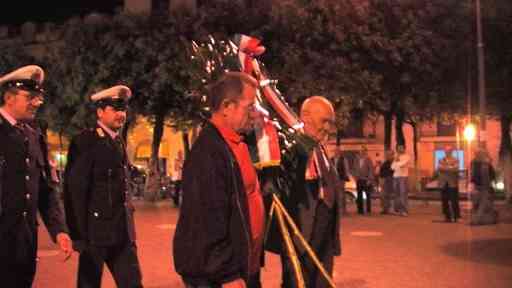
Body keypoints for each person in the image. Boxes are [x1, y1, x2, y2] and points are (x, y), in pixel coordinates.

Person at [173, 72, 265, 288]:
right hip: (217, 276)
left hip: (240, 267)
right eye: (250, 107)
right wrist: (228, 275)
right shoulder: (209, 152)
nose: (255, 114)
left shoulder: (233, 143)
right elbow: (206, 221)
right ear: (227, 107)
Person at [63, 85, 143, 287]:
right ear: (100, 112)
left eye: (123, 109)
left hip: (122, 233)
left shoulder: (118, 141)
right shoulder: (86, 141)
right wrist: (78, 236)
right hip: (95, 235)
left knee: (133, 283)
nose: (121, 114)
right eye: (115, 109)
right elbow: (75, 191)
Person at [0, 65, 72, 287]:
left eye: (39, 97)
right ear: (9, 98)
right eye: (31, 97)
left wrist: (59, 230)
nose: (37, 103)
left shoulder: (32, 135)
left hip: (24, 242)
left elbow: (44, 189)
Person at [277, 96, 342, 288]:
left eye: (330, 122)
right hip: (301, 231)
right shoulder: (291, 146)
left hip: (324, 228)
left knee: (322, 282)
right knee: (299, 282)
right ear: (305, 116)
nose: (328, 128)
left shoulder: (319, 147)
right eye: (325, 121)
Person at [469, 147, 498, 225]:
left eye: (477, 153)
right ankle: (488, 219)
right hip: (482, 186)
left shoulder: (478, 163)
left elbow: (473, 175)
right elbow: (492, 174)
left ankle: (477, 220)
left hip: (482, 186)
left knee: (482, 203)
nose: (476, 155)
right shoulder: (482, 163)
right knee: (482, 203)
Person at [437, 146, 460, 223]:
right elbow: (439, 168)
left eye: (449, 151)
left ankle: (455, 216)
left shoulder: (456, 160)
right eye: (446, 151)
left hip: (452, 183)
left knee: (454, 200)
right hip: (443, 183)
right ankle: (447, 217)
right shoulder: (441, 159)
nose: (447, 152)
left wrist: (446, 167)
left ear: (451, 151)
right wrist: (450, 167)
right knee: (444, 200)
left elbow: (455, 168)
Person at [352, 146, 375, 215]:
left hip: (366, 179)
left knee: (368, 195)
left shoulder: (368, 159)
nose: (362, 152)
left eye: (363, 150)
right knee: (359, 195)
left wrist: (370, 180)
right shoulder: (356, 159)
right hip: (359, 179)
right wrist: (355, 177)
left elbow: (371, 170)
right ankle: (360, 210)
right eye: (361, 150)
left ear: (366, 151)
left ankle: (368, 210)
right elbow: (354, 168)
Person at [391, 145, 410, 216]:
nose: (399, 150)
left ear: (404, 149)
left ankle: (404, 210)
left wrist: (397, 163)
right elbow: (392, 167)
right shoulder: (396, 157)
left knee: (403, 194)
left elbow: (402, 164)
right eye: (398, 148)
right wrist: (396, 161)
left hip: (403, 177)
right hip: (395, 176)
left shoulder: (407, 156)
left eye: (401, 148)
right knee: (396, 194)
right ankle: (397, 210)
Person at [379, 150, 395, 215]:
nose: (387, 156)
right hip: (384, 180)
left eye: (389, 154)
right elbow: (381, 172)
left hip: (391, 180)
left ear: (392, 155)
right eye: (387, 155)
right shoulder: (385, 163)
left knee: (390, 195)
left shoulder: (395, 162)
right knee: (383, 195)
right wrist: (380, 180)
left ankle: (390, 209)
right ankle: (385, 209)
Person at [335, 146, 350, 215]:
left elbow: (346, 169)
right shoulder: (332, 159)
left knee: (342, 194)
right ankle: (337, 209)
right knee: (336, 194)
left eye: (338, 151)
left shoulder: (343, 159)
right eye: (336, 150)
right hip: (334, 179)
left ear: (340, 152)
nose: (336, 152)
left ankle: (343, 209)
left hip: (341, 179)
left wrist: (346, 176)